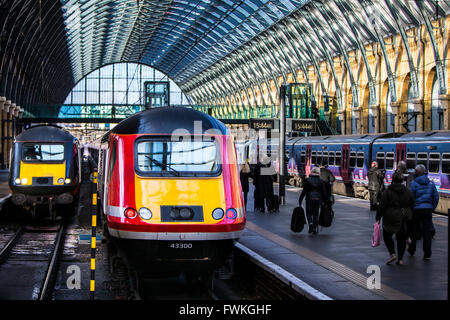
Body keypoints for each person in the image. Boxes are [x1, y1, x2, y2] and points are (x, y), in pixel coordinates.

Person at [376, 172, 415, 265]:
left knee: (387, 236)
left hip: (390, 216)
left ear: (393, 180)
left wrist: (378, 218)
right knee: (401, 238)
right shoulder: (408, 191)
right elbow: (412, 203)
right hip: (403, 216)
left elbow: (381, 205)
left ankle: (392, 254)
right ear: (402, 180)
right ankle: (400, 259)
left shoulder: (387, 192)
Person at [407, 164, 439, 260]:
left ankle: (412, 250)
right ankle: (427, 254)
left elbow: (410, 197)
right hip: (427, 210)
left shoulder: (413, 184)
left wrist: (411, 208)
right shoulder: (431, 183)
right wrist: (431, 207)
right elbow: (436, 197)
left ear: (416, 173)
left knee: (414, 231)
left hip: (416, 210)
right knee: (427, 233)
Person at [299, 167, 328, 235]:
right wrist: (325, 201)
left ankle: (311, 224)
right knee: (316, 213)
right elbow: (324, 192)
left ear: (311, 172)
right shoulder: (321, 181)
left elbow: (304, 191)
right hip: (318, 199)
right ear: (318, 173)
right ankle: (314, 228)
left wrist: (300, 200)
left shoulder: (307, 180)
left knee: (309, 213)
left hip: (309, 199)